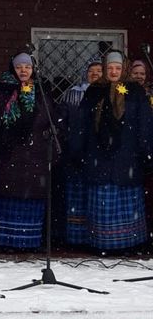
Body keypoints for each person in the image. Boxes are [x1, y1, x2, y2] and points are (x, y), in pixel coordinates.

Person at [0, 51, 60, 251]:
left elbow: (52, 118)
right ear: (12, 68)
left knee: (29, 198)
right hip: (4, 154)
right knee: (4, 196)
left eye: (27, 67)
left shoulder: (41, 90)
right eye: (19, 67)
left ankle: (27, 241)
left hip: (34, 155)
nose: (23, 71)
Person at [74, 50, 153, 253]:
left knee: (126, 201)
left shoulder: (134, 91)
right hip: (98, 155)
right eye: (110, 68)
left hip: (127, 155)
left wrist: (146, 151)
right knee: (103, 200)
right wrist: (78, 149)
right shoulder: (94, 91)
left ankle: (128, 244)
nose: (114, 72)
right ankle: (101, 244)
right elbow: (82, 123)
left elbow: (144, 124)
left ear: (124, 69)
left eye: (118, 68)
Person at [61, 58, 102, 245]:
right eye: (91, 71)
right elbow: (64, 120)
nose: (95, 74)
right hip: (76, 150)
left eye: (99, 71)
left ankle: (95, 236)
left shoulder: (109, 93)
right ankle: (76, 239)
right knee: (77, 195)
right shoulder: (73, 94)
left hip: (98, 153)